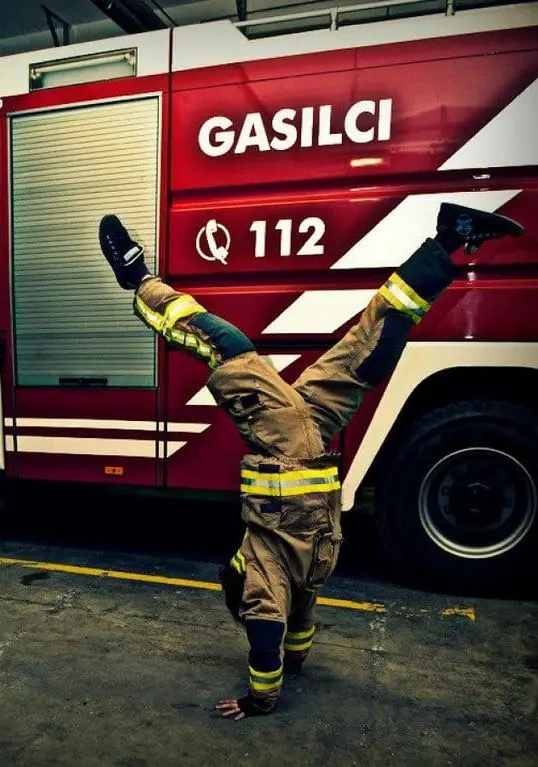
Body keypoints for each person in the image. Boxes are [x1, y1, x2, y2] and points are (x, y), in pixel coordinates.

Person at [97, 203, 524, 720]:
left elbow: (294, 630)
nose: (237, 564)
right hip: (290, 448)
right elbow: (264, 630)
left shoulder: (303, 581)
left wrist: (294, 663)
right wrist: (259, 699)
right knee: (228, 350)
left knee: (369, 351)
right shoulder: (263, 578)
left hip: (314, 469)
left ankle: (447, 240)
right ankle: (139, 280)